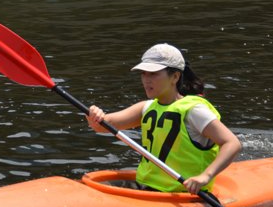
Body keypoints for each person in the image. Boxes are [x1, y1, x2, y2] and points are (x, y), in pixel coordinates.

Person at [85, 43, 241, 195]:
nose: (146, 79)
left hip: (182, 193)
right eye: (143, 73)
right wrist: (93, 114)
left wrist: (205, 176)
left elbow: (232, 143)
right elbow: (102, 125)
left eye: (153, 74)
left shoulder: (194, 110)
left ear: (175, 77)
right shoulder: (146, 108)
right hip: (146, 187)